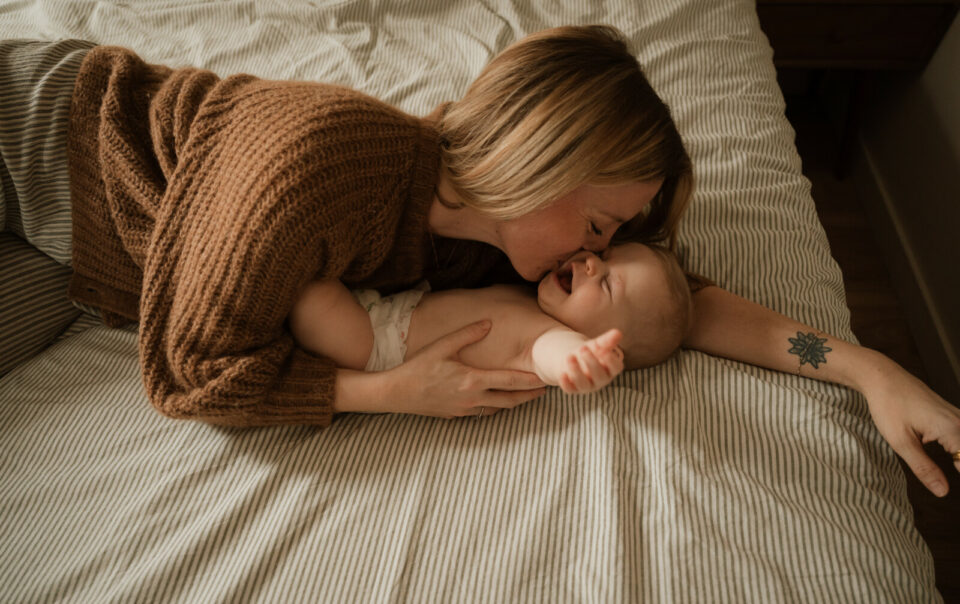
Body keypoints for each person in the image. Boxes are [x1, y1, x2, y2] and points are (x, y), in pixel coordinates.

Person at [1, 26, 957, 497]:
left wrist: (869, 371)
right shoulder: (318, 164)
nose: (600, 256)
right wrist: (390, 393)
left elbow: (686, 308)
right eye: (602, 224)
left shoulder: (492, 246)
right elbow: (191, 372)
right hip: (44, 139)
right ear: (544, 162)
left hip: (104, 262)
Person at [289, 243, 692, 411]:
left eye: (606, 284)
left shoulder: (552, 337)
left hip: (373, 347)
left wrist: (581, 360)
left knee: (303, 284)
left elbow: (553, 358)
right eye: (606, 255)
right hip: (381, 308)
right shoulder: (537, 296)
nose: (592, 262)